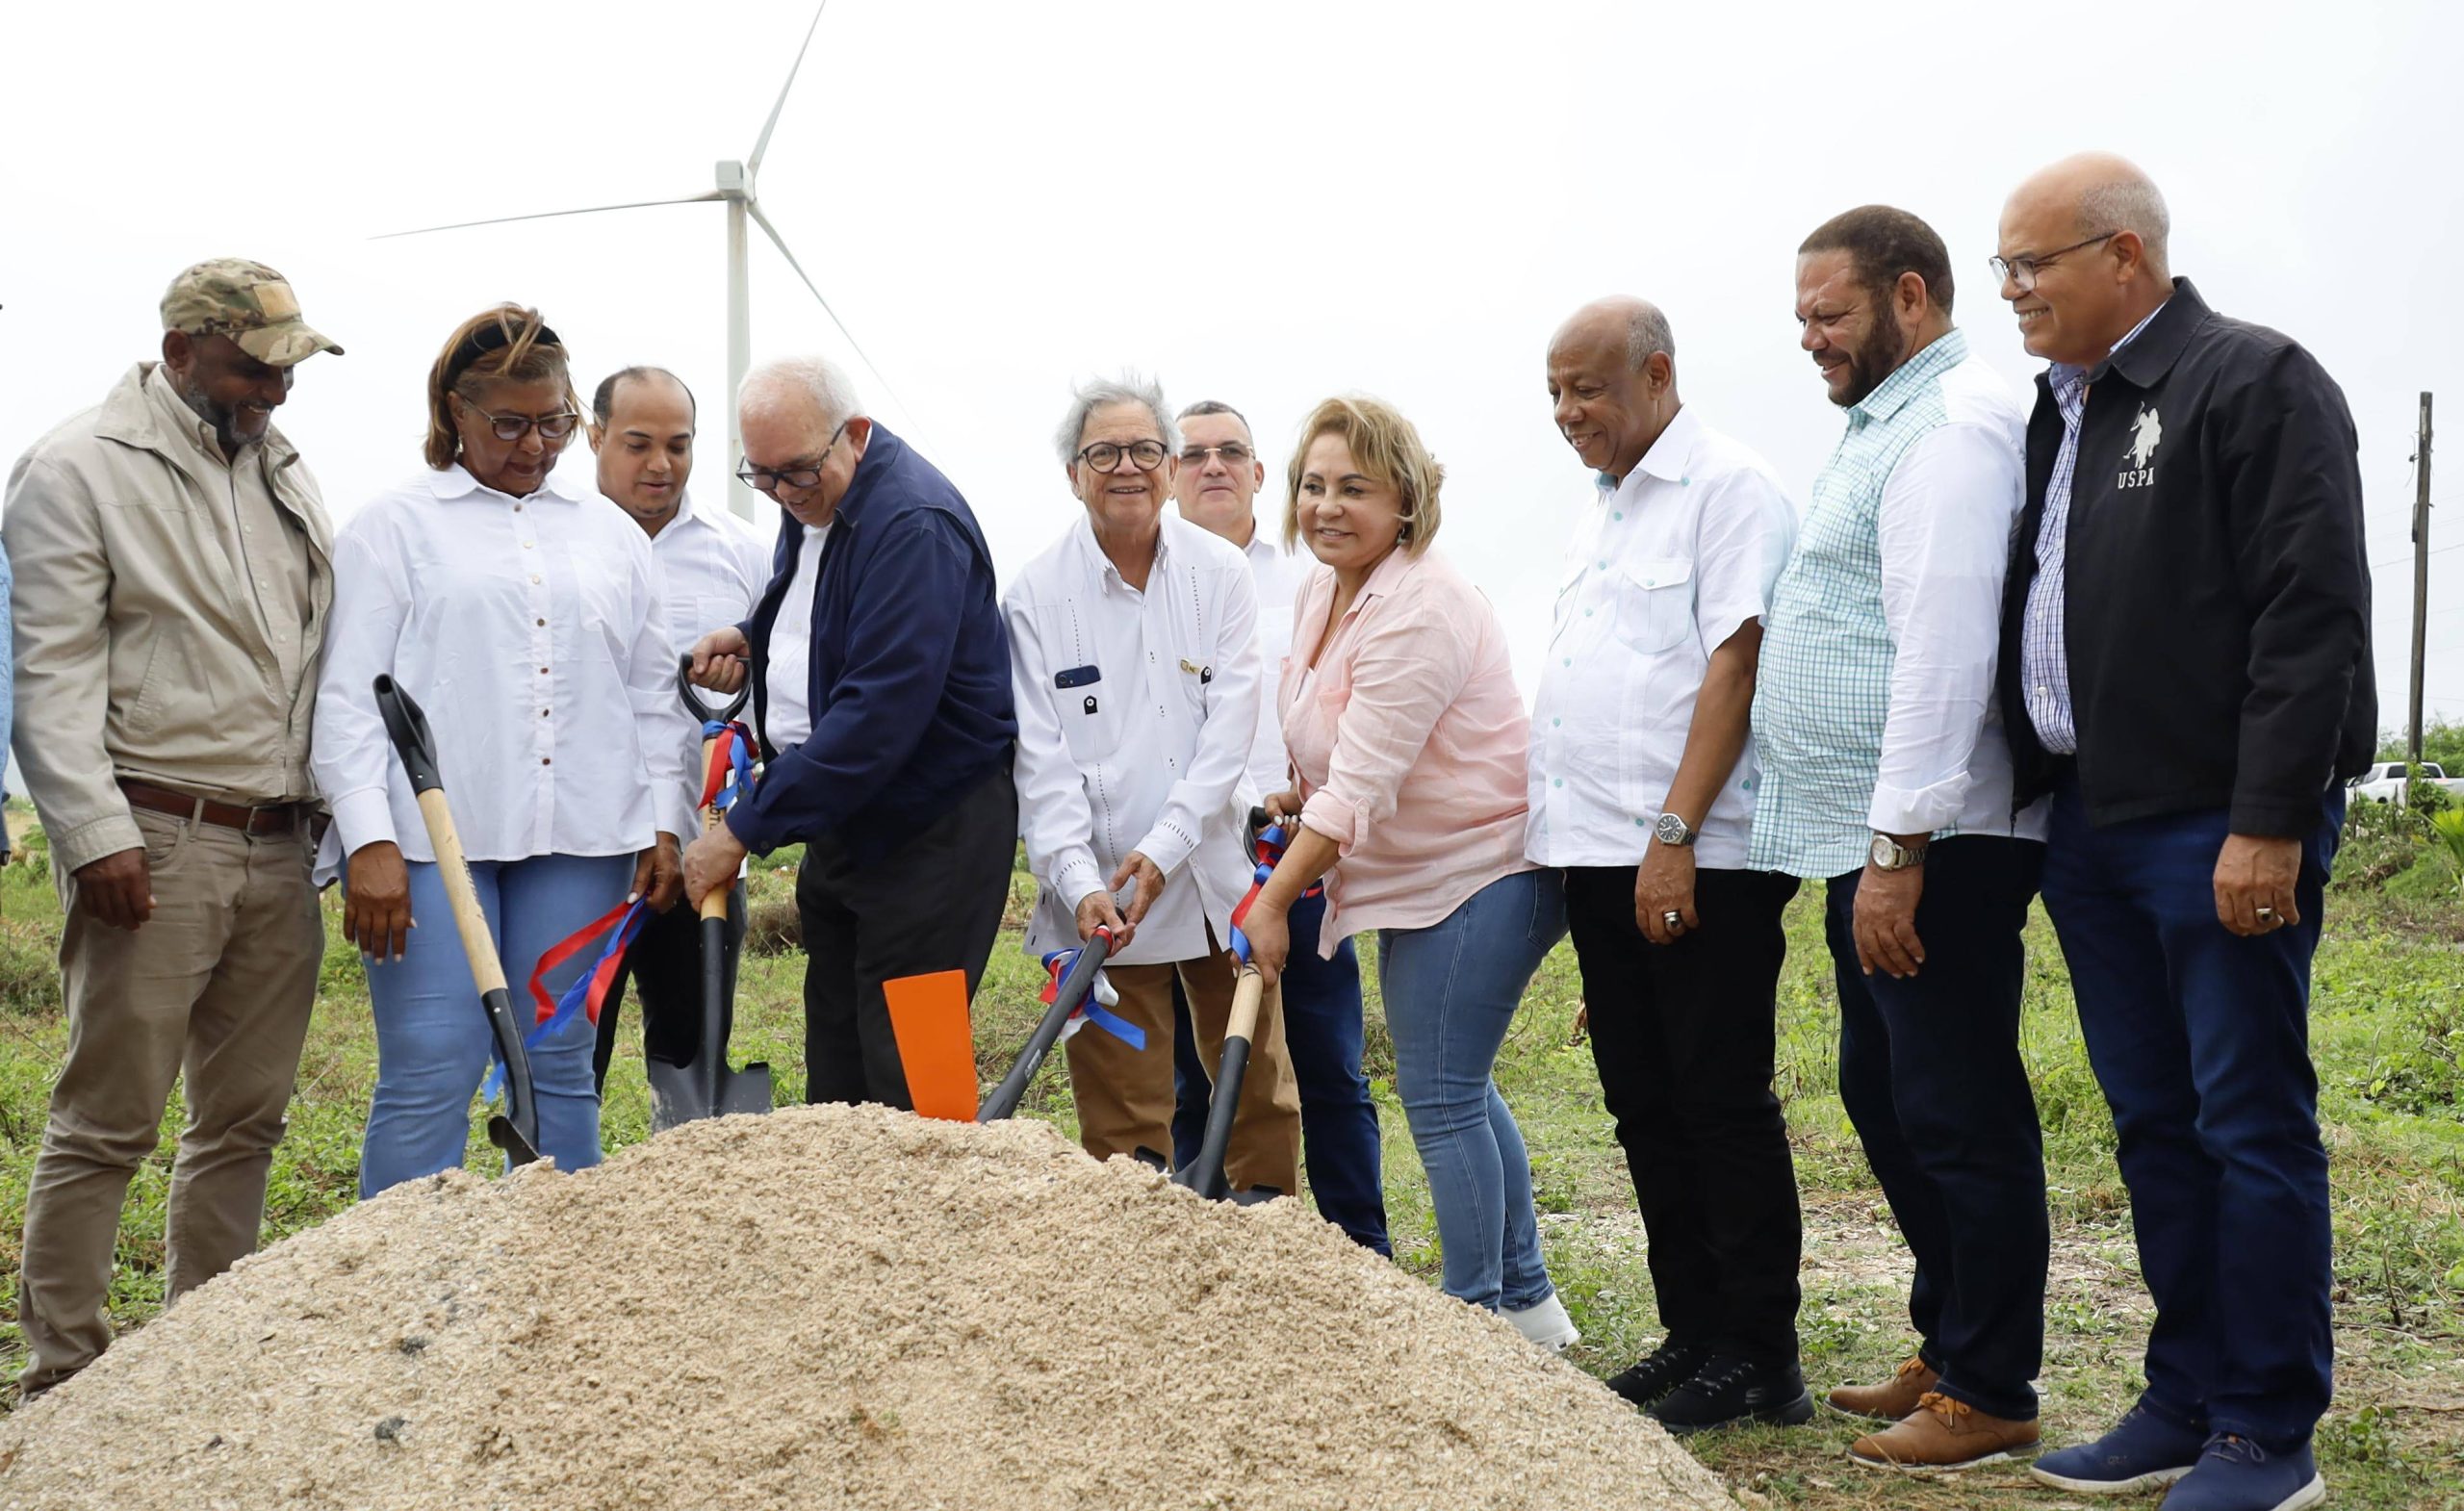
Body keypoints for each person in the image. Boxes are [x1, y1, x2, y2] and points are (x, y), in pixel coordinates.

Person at [1999, 155, 2370, 1511]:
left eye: (2034, 265)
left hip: (2220, 819)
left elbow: (2309, 611)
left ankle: (2268, 1427)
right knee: (2154, 1119)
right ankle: (2187, 1392)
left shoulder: (2251, 382)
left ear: (2127, 259)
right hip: (2095, 822)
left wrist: (2269, 821)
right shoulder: (2066, 411)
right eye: (2004, 267)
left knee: (2246, 1116)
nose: (2014, 291)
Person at [5, 259, 341, 1395]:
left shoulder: (280, 468)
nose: (277, 392)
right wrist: (93, 833)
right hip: (154, 836)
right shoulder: (77, 470)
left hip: (279, 840)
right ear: (185, 348)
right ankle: (66, 1377)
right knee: (110, 1119)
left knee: (246, 1123)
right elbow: (50, 678)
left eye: (287, 370)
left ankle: (205, 1362)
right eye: (256, 367)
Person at [1750, 207, 2050, 1471]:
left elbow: (1941, 648)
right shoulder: (1887, 424)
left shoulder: (1948, 430)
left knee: (1958, 1102)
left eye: (1832, 314)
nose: (1809, 337)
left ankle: (1991, 1384)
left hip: (1940, 836)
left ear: (1912, 297)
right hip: (1877, 832)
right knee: (1889, 1089)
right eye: (1802, 315)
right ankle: (1950, 1333)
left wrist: (1898, 849)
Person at [316, 305, 689, 1196]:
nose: (536, 444)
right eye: (510, 423)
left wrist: (665, 822)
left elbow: (651, 694)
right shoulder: (394, 526)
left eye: (555, 421)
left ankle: (559, 1286)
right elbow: (350, 699)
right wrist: (367, 839)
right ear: (455, 412)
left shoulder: (609, 535)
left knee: (559, 1057)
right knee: (432, 1068)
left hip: (584, 836)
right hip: (429, 843)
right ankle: (403, 1292)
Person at [1239, 395, 1573, 1345]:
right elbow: (1332, 757)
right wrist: (1290, 795)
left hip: (1483, 865)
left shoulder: (1421, 603)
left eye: (1355, 487)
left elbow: (1363, 788)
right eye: (1312, 484)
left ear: (1406, 499)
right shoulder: (1321, 590)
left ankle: (1474, 1321)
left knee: (1438, 1094)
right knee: (1457, 1081)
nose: (1326, 506)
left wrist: (1271, 902)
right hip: (1422, 868)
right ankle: (1525, 1305)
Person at [1528, 297, 1807, 1430]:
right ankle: (1694, 1327)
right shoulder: (1607, 509)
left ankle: (1759, 1351)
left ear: (1654, 373)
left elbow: (1733, 668)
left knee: (1716, 1100)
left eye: (1585, 389)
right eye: (1552, 393)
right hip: (1602, 858)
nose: (1565, 414)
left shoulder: (1726, 489)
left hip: (1696, 856)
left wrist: (1675, 839)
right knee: (1643, 1102)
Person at [680, 357, 1016, 1109]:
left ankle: (940, 1219)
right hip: (846, 825)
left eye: (795, 473)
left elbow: (879, 711)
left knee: (916, 1078)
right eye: (761, 477)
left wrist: (743, 828)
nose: (782, 494)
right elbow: (825, 610)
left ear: (855, 435)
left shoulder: (912, 525)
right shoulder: (812, 496)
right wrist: (755, 638)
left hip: (931, 834)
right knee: (839, 1066)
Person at [1006, 375, 1301, 1194]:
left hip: (1209, 870)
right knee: (1122, 1127)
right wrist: (1075, 881)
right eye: (1104, 453)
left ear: (1168, 468)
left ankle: (1270, 1253)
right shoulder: (1035, 595)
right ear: (1074, 473)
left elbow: (1228, 735)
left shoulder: (1219, 574)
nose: (1126, 468)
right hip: (1102, 895)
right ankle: (1135, 1283)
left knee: (1257, 1097)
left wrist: (1166, 848)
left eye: (1144, 450)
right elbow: (1042, 762)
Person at [1165, 397, 1388, 1250]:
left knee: (1329, 1065)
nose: (1212, 465)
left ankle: (1358, 1249)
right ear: (1170, 475)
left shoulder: (1313, 579)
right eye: (1193, 455)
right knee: (1200, 1067)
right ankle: (1202, 1244)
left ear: (1262, 476)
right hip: (1194, 861)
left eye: (1232, 452)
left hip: (1300, 854)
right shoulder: (1158, 583)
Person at [583, 367, 772, 1107]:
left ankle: (685, 1192)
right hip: (583, 850)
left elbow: (781, 682)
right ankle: (558, 1196)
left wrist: (739, 698)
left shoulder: (746, 553)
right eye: (637, 444)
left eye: (679, 445)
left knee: (693, 1044)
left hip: (704, 850)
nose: (660, 465)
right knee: (570, 1053)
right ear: (595, 438)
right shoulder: (559, 549)